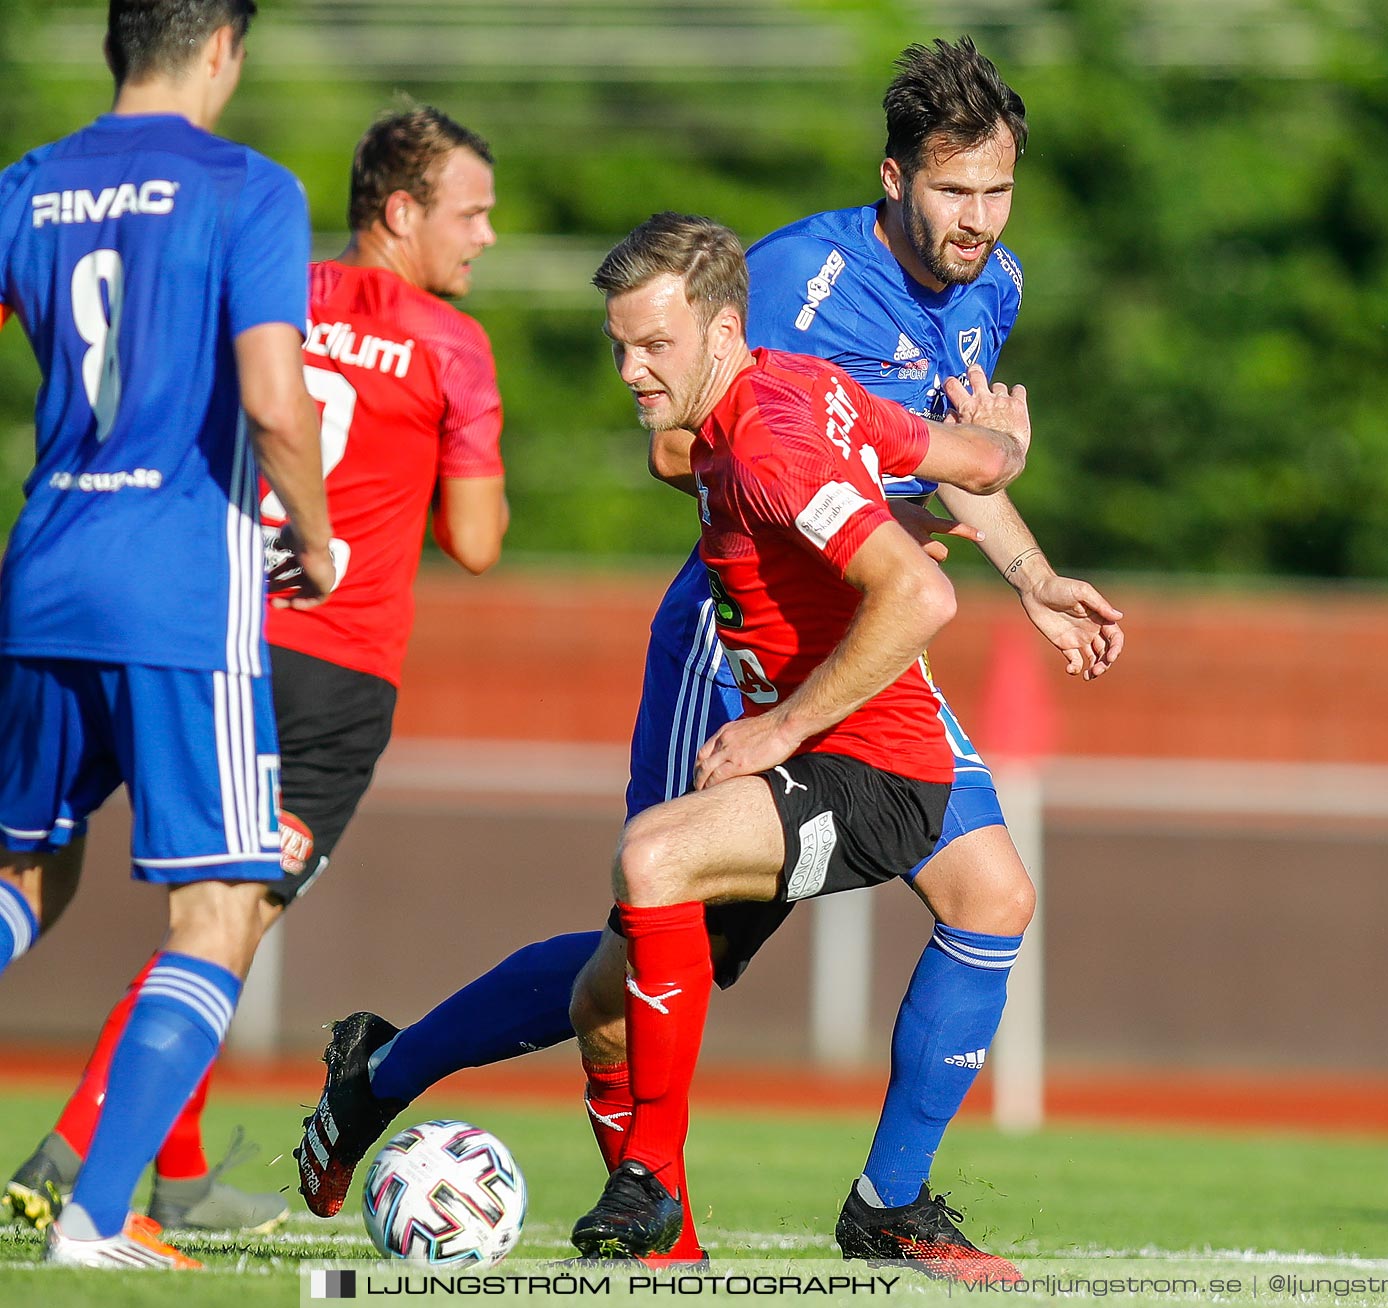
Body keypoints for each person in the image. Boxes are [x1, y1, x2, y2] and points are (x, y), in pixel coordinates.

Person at [294, 38, 1122, 1280]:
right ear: (894, 179)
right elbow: (685, 449)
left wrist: (1035, 574)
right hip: (742, 653)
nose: (979, 221)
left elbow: (939, 455)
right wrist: (849, 509)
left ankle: (888, 1206)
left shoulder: (991, 285)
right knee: (629, 969)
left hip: (869, 639)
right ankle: (406, 1089)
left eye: (998, 193)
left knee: (992, 894)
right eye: (954, 193)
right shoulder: (795, 278)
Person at [3, 105, 508, 1239]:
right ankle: (75, 1150)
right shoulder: (451, 344)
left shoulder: (271, 281)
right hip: (333, 671)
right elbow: (478, 542)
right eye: (470, 213)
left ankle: (173, 1181)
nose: (485, 236)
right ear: (400, 211)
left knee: (135, 895)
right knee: (226, 921)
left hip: (201, 625)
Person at [575, 210, 1029, 1264]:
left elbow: (919, 595)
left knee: (653, 861)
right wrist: (1007, 451)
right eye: (620, 347)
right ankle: (399, 1087)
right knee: (601, 982)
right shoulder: (798, 386)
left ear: (725, 329)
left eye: (655, 347)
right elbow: (961, 455)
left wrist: (777, 728)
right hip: (860, 757)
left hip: (868, 771)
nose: (631, 373)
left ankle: (648, 1184)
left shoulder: (773, 443)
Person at [0, 0, 332, 1269]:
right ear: (223, 51)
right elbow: (273, 398)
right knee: (222, 905)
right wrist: (316, 530)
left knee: (27, 873)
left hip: (42, 577)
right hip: (178, 589)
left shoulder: (27, 183)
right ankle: (95, 1218)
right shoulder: (247, 186)